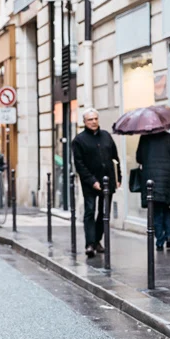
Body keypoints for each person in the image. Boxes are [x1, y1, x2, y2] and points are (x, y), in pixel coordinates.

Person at [71, 109, 120, 257]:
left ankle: (97, 240)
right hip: (90, 183)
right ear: (84, 122)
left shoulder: (106, 136)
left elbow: (115, 158)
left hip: (108, 181)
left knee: (104, 213)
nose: (93, 122)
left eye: (95, 119)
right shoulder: (79, 140)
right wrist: (92, 181)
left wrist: (119, 178)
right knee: (90, 211)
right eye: (90, 119)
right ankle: (90, 244)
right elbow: (79, 165)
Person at [135, 130, 170, 250]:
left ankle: (160, 239)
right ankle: (169, 235)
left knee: (156, 210)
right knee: (165, 207)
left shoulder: (144, 138)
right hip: (167, 179)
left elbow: (139, 158)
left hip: (150, 179)